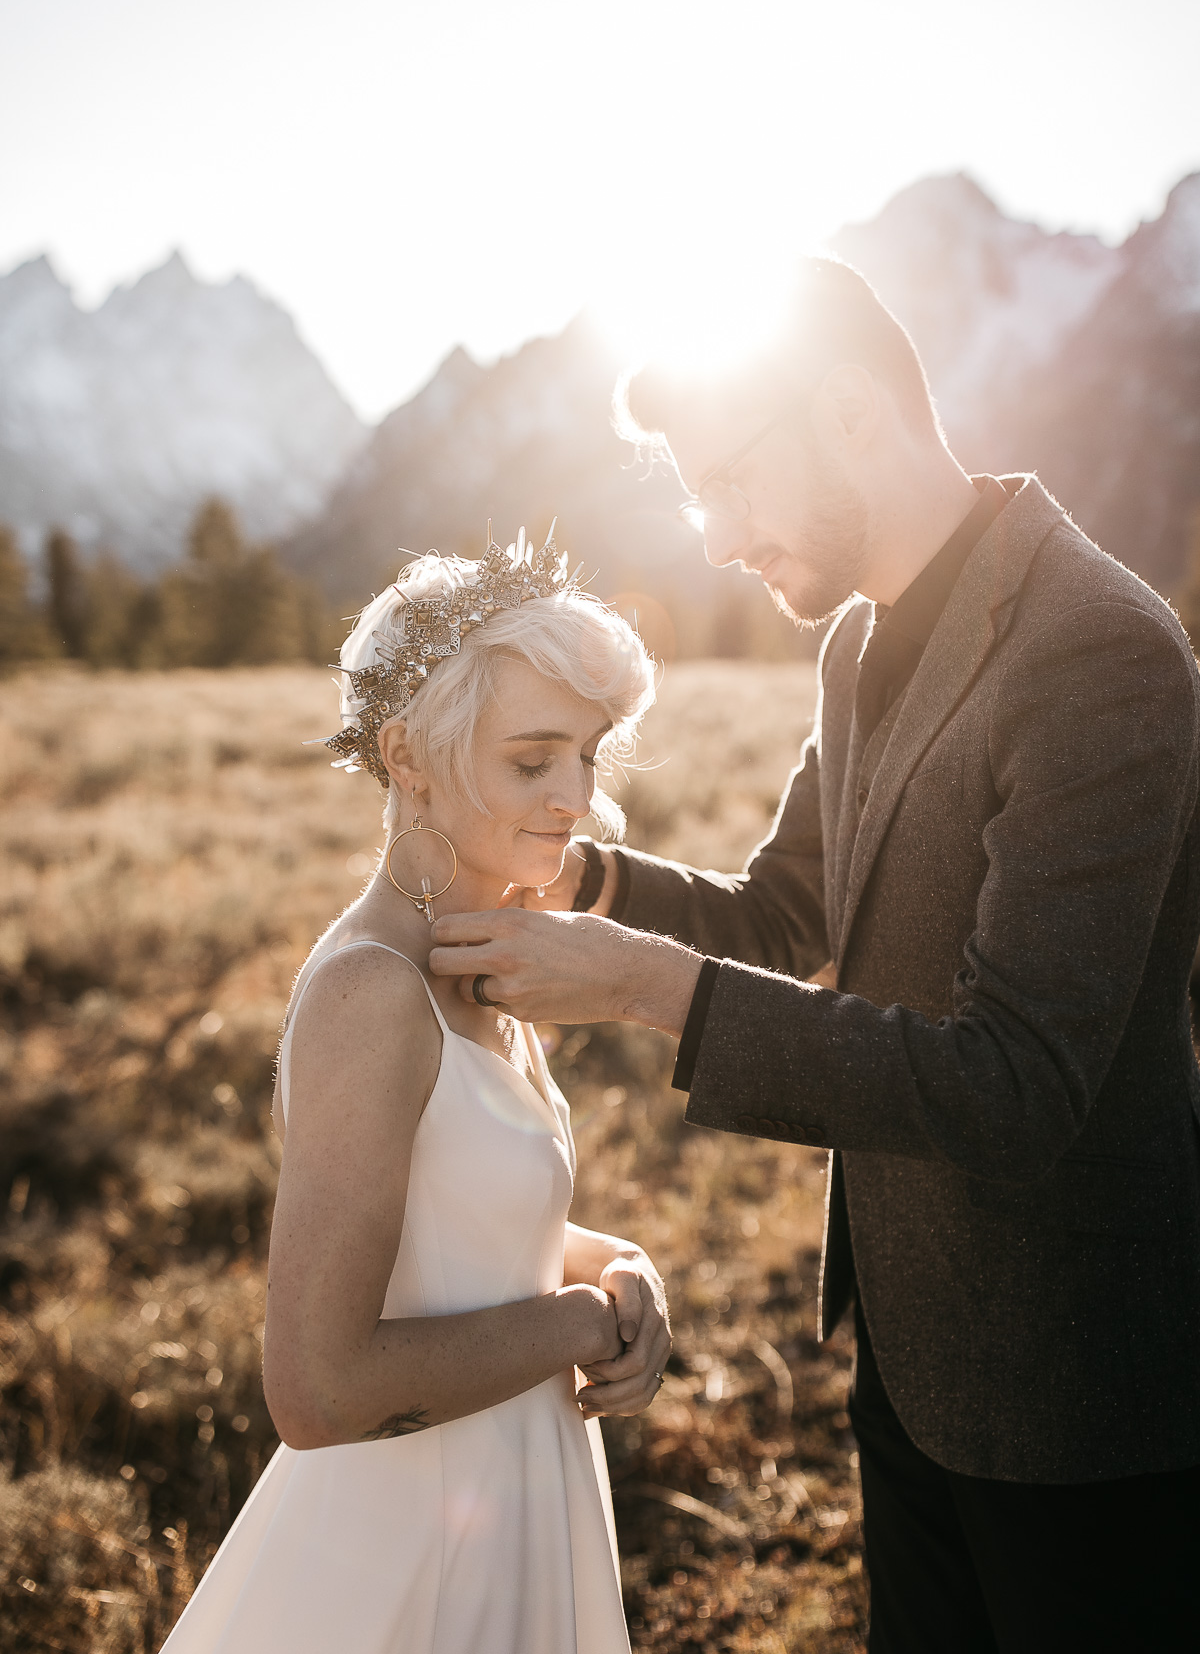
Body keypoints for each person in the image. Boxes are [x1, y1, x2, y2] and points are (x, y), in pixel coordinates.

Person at [427, 259, 1200, 1652]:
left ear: (852, 415)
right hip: (911, 1356)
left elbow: (1016, 1081)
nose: (715, 538)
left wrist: (647, 989)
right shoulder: (859, 643)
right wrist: (586, 874)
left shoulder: (1098, 652)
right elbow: (789, 911)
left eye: (730, 481)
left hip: (1079, 1399)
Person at [161, 533, 670, 1654]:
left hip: (513, 1495)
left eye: (587, 757)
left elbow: (460, 1225)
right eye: (533, 762)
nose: (576, 798)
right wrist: (576, 1323)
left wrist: (615, 1264)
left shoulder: (480, 953)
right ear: (408, 756)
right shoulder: (372, 992)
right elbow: (320, 1390)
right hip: (410, 1555)